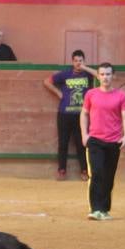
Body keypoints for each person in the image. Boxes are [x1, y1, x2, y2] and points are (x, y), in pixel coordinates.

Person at [81, 63, 125, 221]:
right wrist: (84, 134)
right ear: (98, 76)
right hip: (95, 140)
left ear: (113, 76)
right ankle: (95, 209)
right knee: (96, 173)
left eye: (108, 74)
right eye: (102, 74)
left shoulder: (121, 95)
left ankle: (104, 209)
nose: (105, 77)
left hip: (114, 141)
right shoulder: (91, 94)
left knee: (108, 176)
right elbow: (84, 114)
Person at [44, 50, 96, 181]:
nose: (78, 63)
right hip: (64, 114)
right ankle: (62, 170)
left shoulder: (87, 74)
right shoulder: (65, 74)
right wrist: (58, 93)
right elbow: (47, 81)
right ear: (72, 61)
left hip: (81, 115)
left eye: (81, 61)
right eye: (76, 61)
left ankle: (84, 171)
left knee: (81, 143)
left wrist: (84, 68)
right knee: (63, 143)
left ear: (84, 61)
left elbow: (99, 76)